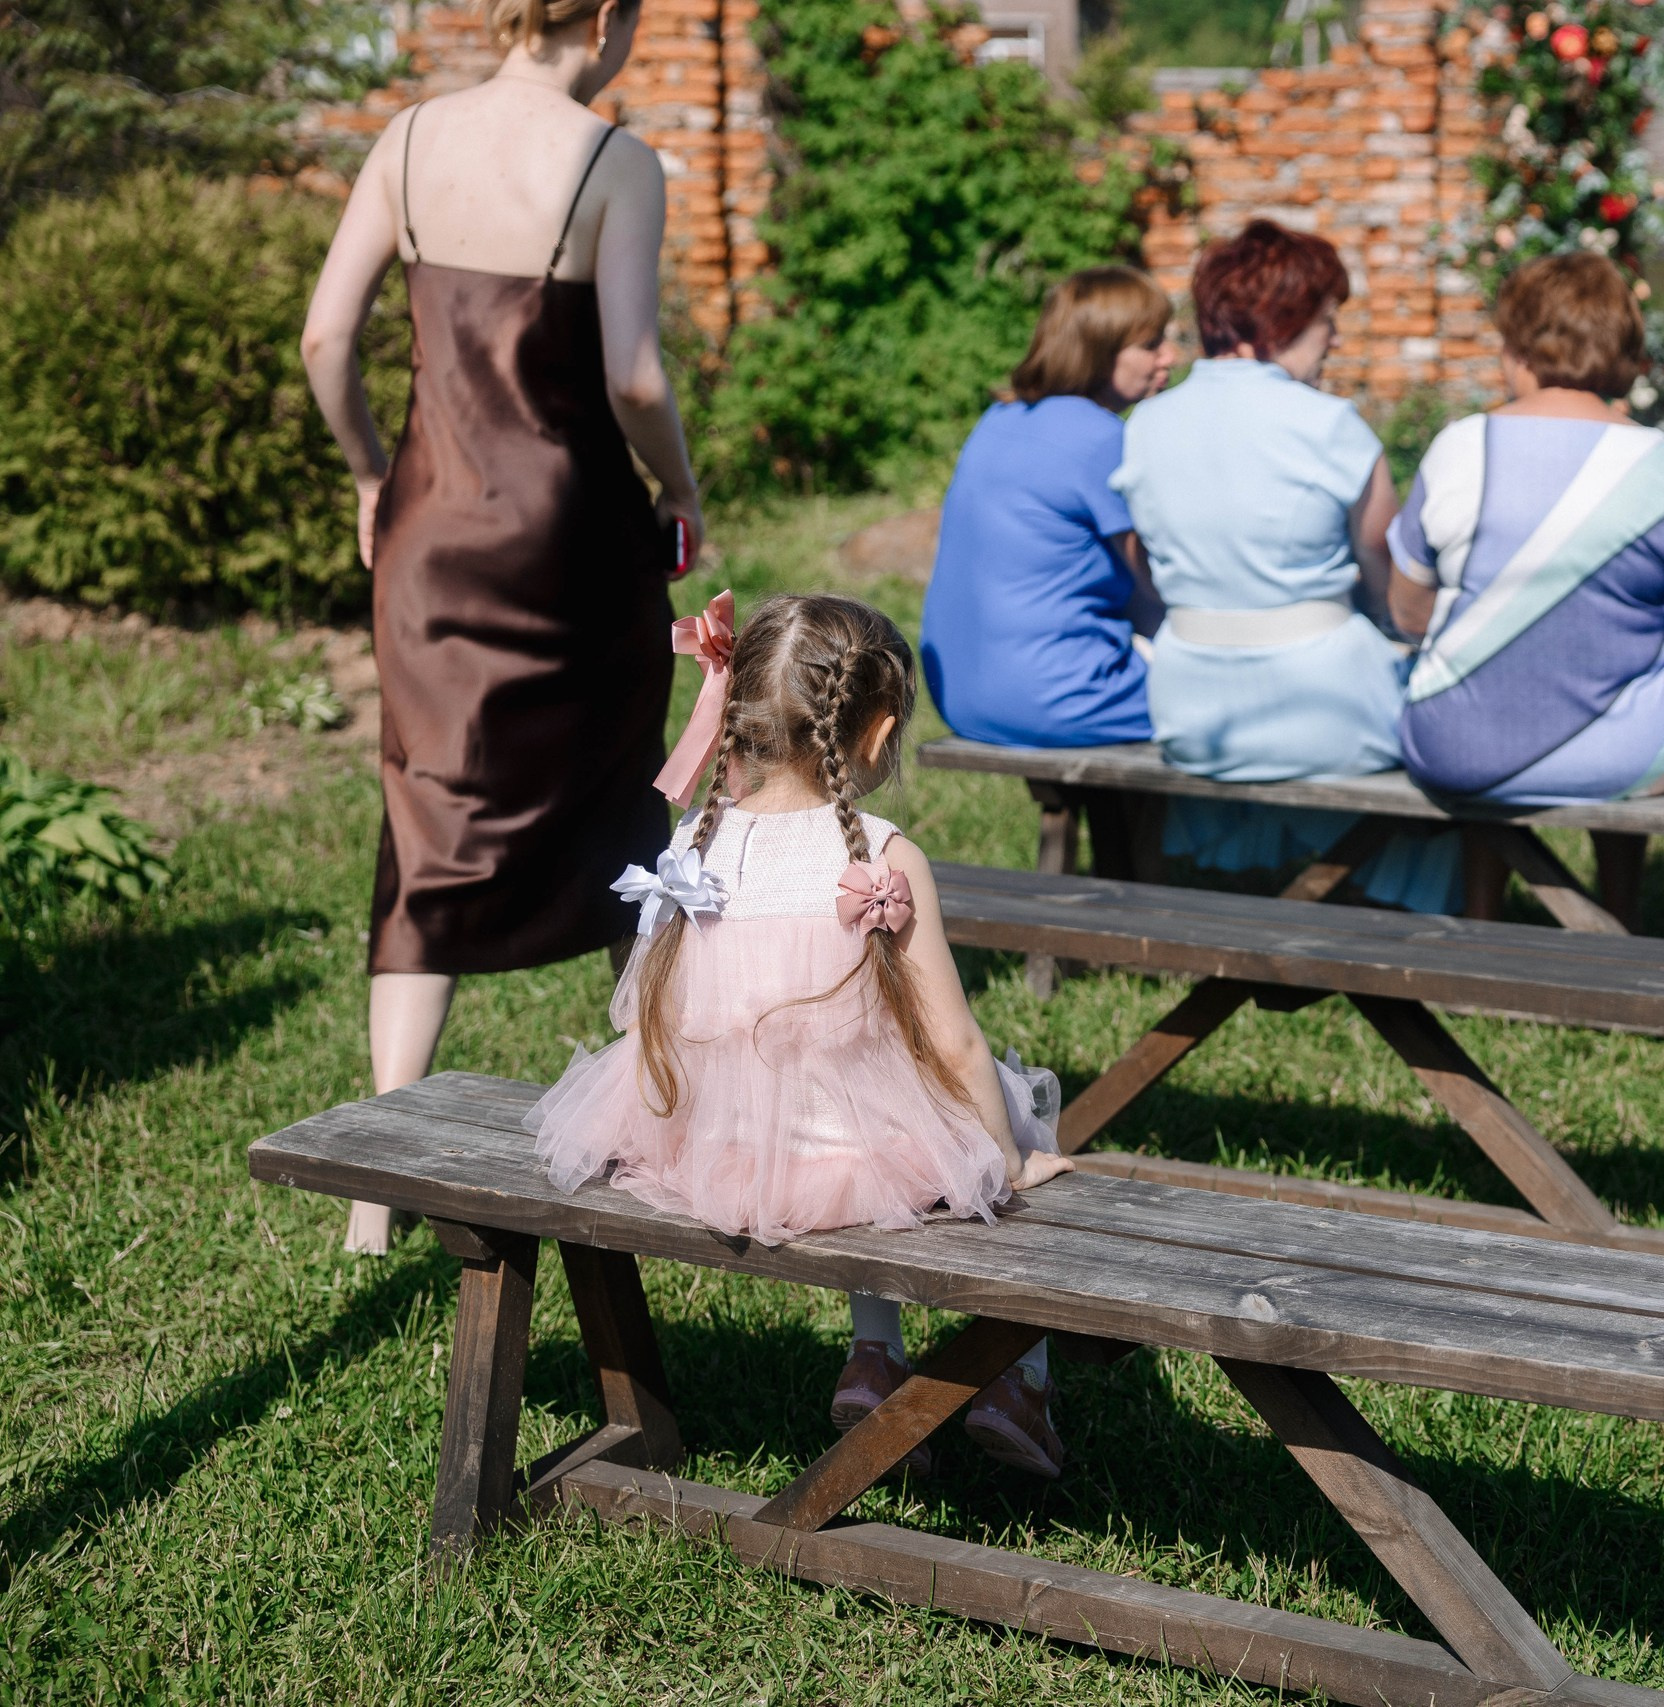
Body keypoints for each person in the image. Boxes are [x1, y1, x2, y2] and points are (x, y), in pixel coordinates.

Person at [301, 0, 705, 1255]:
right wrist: (681, 487)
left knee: (427, 810)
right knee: (620, 795)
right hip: (568, 530)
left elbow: (325, 334)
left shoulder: (409, 139)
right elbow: (633, 373)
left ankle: (376, 1191)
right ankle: (655, 1109)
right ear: (602, 19)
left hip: (430, 527)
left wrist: (373, 470)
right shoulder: (611, 159)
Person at [529, 595, 1078, 1477]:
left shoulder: (696, 842)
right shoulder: (883, 858)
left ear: (740, 717)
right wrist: (1008, 1160)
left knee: (863, 1112)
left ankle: (873, 1357)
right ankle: (1021, 1379)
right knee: (1016, 1112)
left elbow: (664, 1007)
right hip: (846, 1148)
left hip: (715, 1141)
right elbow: (957, 1044)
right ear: (878, 733)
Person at [1111, 221, 1456, 904]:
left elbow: (1143, 563)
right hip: (1328, 707)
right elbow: (1387, 577)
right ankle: (1395, 906)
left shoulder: (1147, 424)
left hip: (1192, 709)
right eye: (1327, 320)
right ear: (1282, 320)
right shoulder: (1332, 425)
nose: (1334, 338)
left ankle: (1273, 880)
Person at [1390, 253, 1664, 805]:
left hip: (1460, 749)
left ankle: (1481, 897)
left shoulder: (1457, 448)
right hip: (1628, 756)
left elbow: (1407, 614)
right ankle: (1617, 892)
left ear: (1518, 348)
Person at [920, 267, 1178, 748]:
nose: (1170, 355)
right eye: (1151, 344)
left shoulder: (999, 418)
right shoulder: (1102, 437)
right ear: (1100, 351)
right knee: (1251, 698)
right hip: (1062, 698)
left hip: (961, 696)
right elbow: (1162, 577)